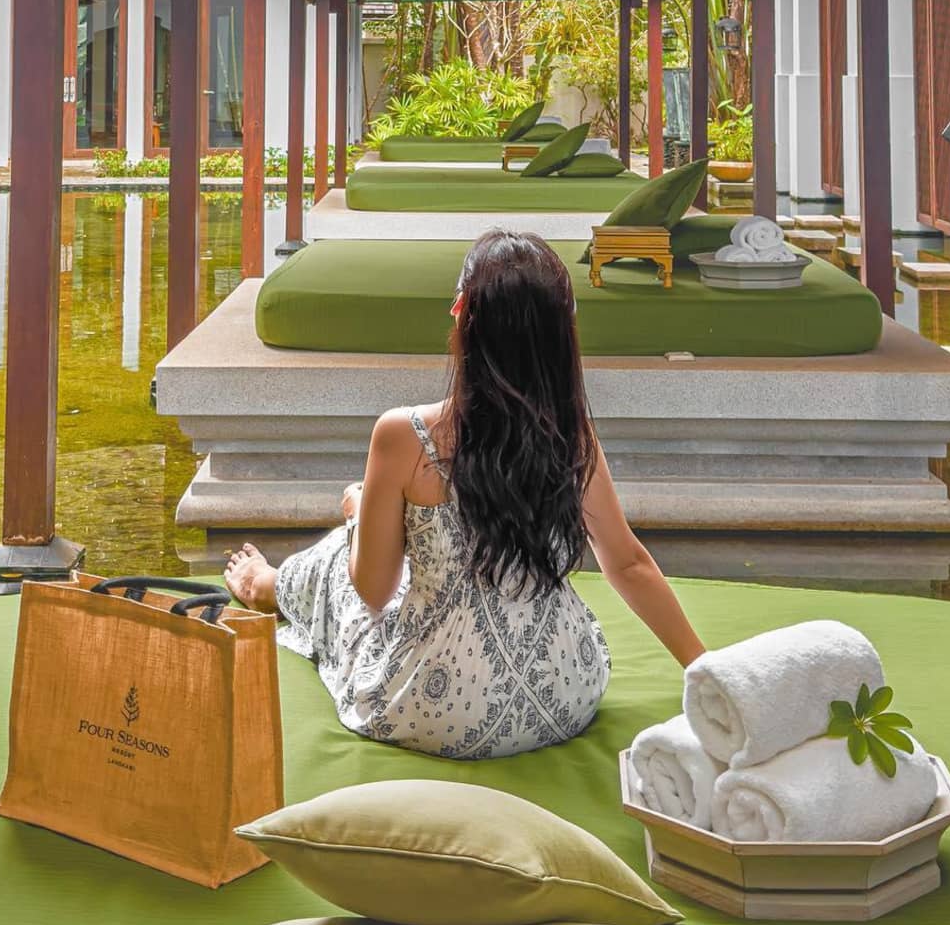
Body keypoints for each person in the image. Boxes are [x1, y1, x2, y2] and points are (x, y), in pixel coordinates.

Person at [224, 229, 705, 758]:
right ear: (562, 335)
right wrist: (707, 671)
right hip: (563, 696)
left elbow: (374, 591)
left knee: (343, 552)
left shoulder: (404, 435)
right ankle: (284, 575)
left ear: (460, 316)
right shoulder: (571, 435)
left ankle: (268, 586)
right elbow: (628, 564)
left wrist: (359, 512)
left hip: (432, 708)